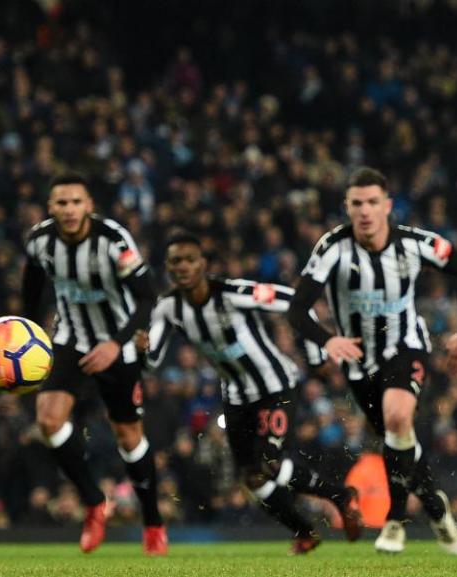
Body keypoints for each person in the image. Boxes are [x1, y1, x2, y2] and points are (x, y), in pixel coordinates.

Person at [135, 231, 362, 555]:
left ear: (203, 264)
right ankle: (305, 530)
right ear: (168, 268)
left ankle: (340, 496)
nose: (182, 266)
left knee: (268, 463)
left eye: (189, 259)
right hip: (237, 397)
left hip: (274, 386)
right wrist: (142, 350)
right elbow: (151, 362)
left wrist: (315, 355)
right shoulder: (168, 307)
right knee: (252, 478)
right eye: (175, 261)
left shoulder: (233, 293)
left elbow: (297, 303)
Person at [287, 167, 457, 555]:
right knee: (399, 439)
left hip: (404, 346)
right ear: (347, 207)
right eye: (357, 203)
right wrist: (328, 339)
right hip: (358, 361)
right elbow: (297, 308)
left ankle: (395, 521)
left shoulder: (412, 243)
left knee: (397, 419)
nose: (365, 211)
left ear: (388, 206)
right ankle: (438, 510)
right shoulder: (332, 247)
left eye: (373, 202)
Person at [22, 173, 167, 555]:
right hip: (70, 338)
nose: (68, 210)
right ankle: (93, 501)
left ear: (89, 206)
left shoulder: (113, 240)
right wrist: (25, 330)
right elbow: (32, 288)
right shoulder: (40, 241)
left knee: (128, 436)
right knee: (48, 420)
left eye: (75, 202)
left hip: (119, 343)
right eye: (61, 203)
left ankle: (152, 522)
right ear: (51, 208)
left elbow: (148, 297)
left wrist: (116, 344)